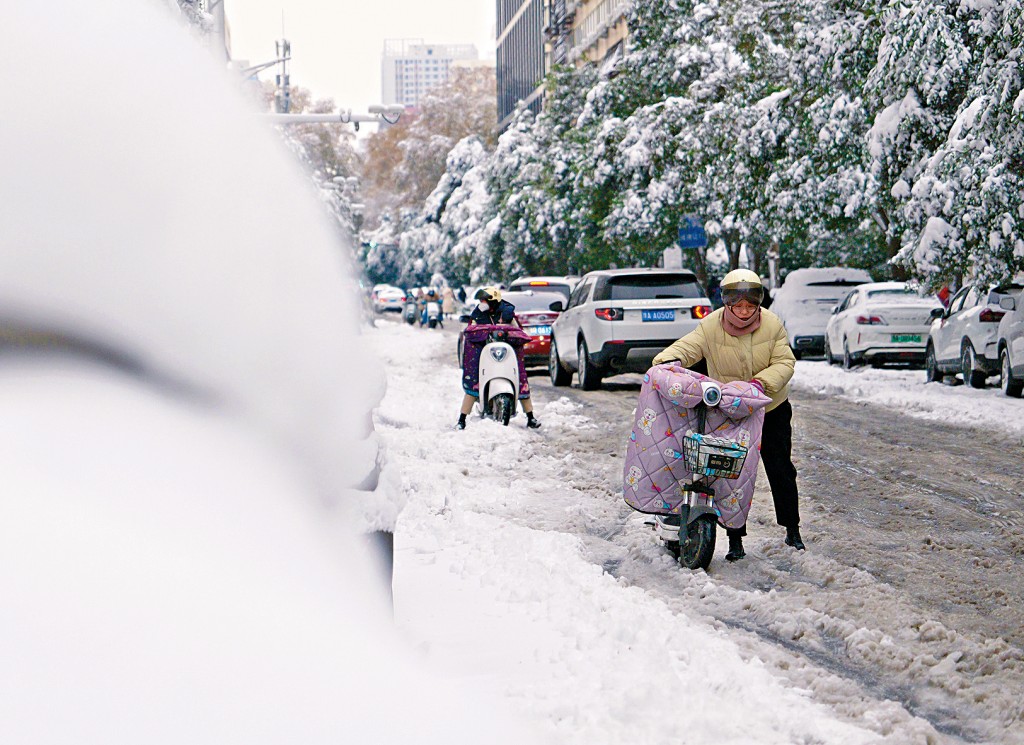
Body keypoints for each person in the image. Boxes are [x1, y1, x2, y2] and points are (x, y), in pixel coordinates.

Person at [652, 268, 803, 560]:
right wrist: (666, 361)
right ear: (727, 303)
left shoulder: (772, 325)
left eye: (751, 305)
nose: (745, 311)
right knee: (729, 473)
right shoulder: (710, 326)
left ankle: (792, 529)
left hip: (769, 407)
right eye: (738, 305)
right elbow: (688, 347)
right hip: (729, 411)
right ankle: (735, 539)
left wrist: (760, 384)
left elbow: (785, 362)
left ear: (759, 303)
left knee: (780, 469)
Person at [456, 286, 541, 431]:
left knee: (521, 380)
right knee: (473, 381)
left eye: (484, 300)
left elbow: (518, 331)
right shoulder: (478, 314)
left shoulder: (507, 313)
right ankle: (462, 419)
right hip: (484, 354)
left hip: (506, 353)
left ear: (493, 301)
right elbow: (471, 331)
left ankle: (530, 417)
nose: (481, 302)